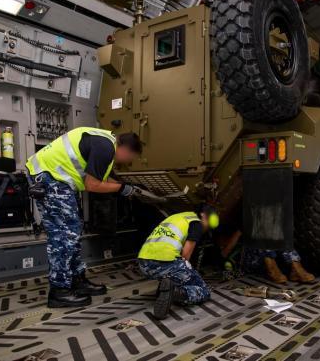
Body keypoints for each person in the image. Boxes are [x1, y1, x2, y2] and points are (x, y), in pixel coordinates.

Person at [26, 127, 142, 308]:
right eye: (131, 158)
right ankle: (59, 291)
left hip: (55, 179)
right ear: (126, 149)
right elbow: (93, 185)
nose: (128, 162)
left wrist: (126, 187)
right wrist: (120, 189)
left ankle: (76, 281)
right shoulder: (106, 147)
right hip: (49, 178)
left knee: (72, 232)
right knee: (64, 236)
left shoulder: (105, 143)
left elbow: (102, 179)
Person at [137, 204, 219, 319]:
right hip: (166, 263)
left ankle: (166, 287)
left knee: (178, 270)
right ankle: (175, 292)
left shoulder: (178, 217)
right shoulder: (197, 224)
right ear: (204, 215)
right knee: (204, 290)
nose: (206, 229)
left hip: (144, 264)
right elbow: (185, 256)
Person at [218, 230, 315, 284]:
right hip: (245, 264)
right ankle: (272, 269)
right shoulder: (220, 239)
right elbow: (224, 253)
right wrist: (239, 231)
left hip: (262, 260)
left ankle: (296, 268)